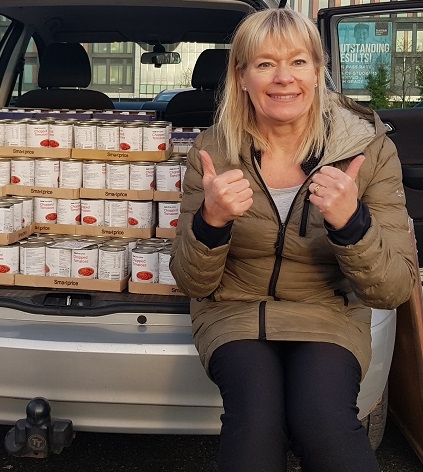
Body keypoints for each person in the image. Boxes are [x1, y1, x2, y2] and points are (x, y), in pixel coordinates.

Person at [169, 8, 416, 472]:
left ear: (319, 72)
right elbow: (191, 281)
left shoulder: (368, 148)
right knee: (256, 426)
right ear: (241, 76)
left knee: (323, 422)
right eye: (264, 64)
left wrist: (352, 223)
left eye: (298, 62)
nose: (284, 78)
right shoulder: (212, 151)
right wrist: (212, 220)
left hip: (327, 311)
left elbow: (394, 289)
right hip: (234, 310)